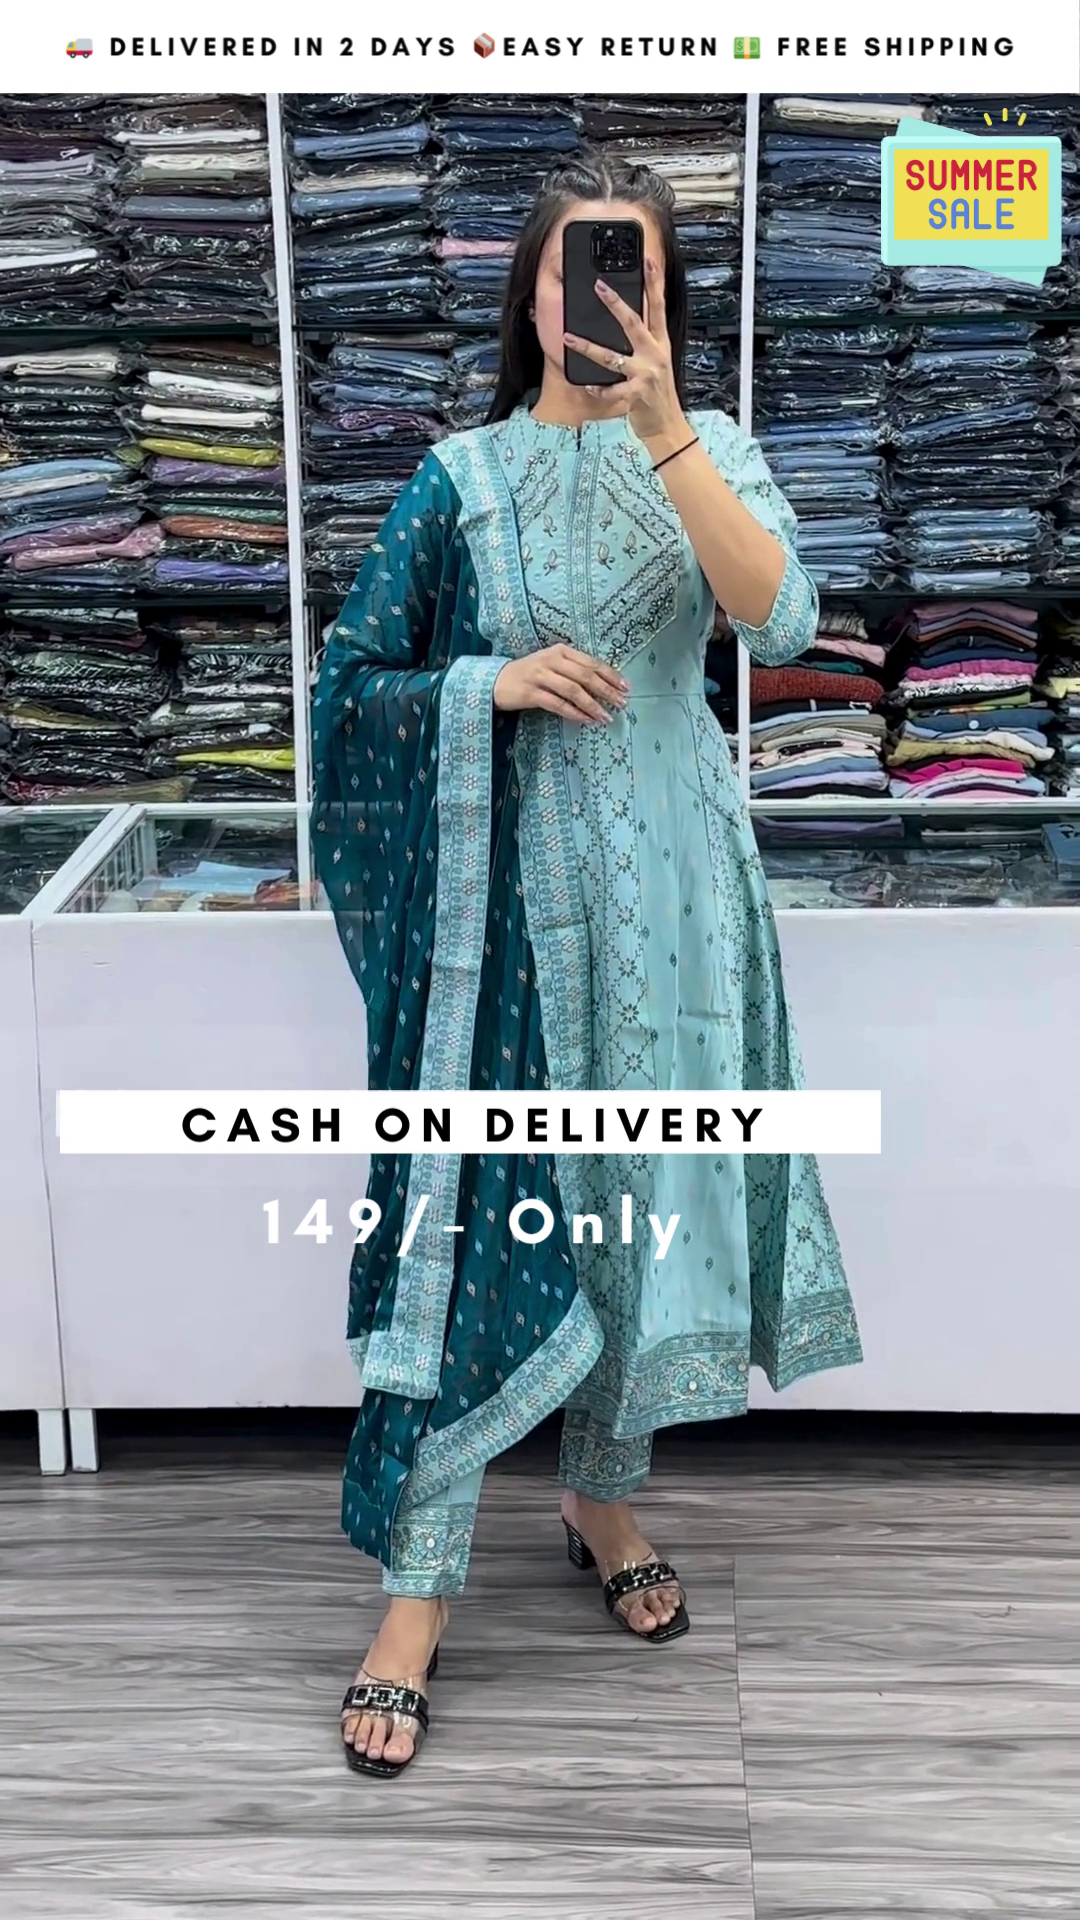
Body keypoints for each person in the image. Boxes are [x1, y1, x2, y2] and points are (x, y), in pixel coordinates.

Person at [311, 151, 863, 1779]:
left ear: (662, 299)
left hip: (683, 900)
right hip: (508, 930)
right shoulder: (459, 477)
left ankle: (601, 1497)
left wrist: (669, 428)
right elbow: (349, 686)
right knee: (479, 1221)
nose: (594, 299)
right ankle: (416, 1597)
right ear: (532, 293)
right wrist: (483, 685)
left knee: (647, 1204)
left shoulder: (715, 450)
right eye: (571, 270)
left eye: (629, 272)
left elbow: (781, 623)